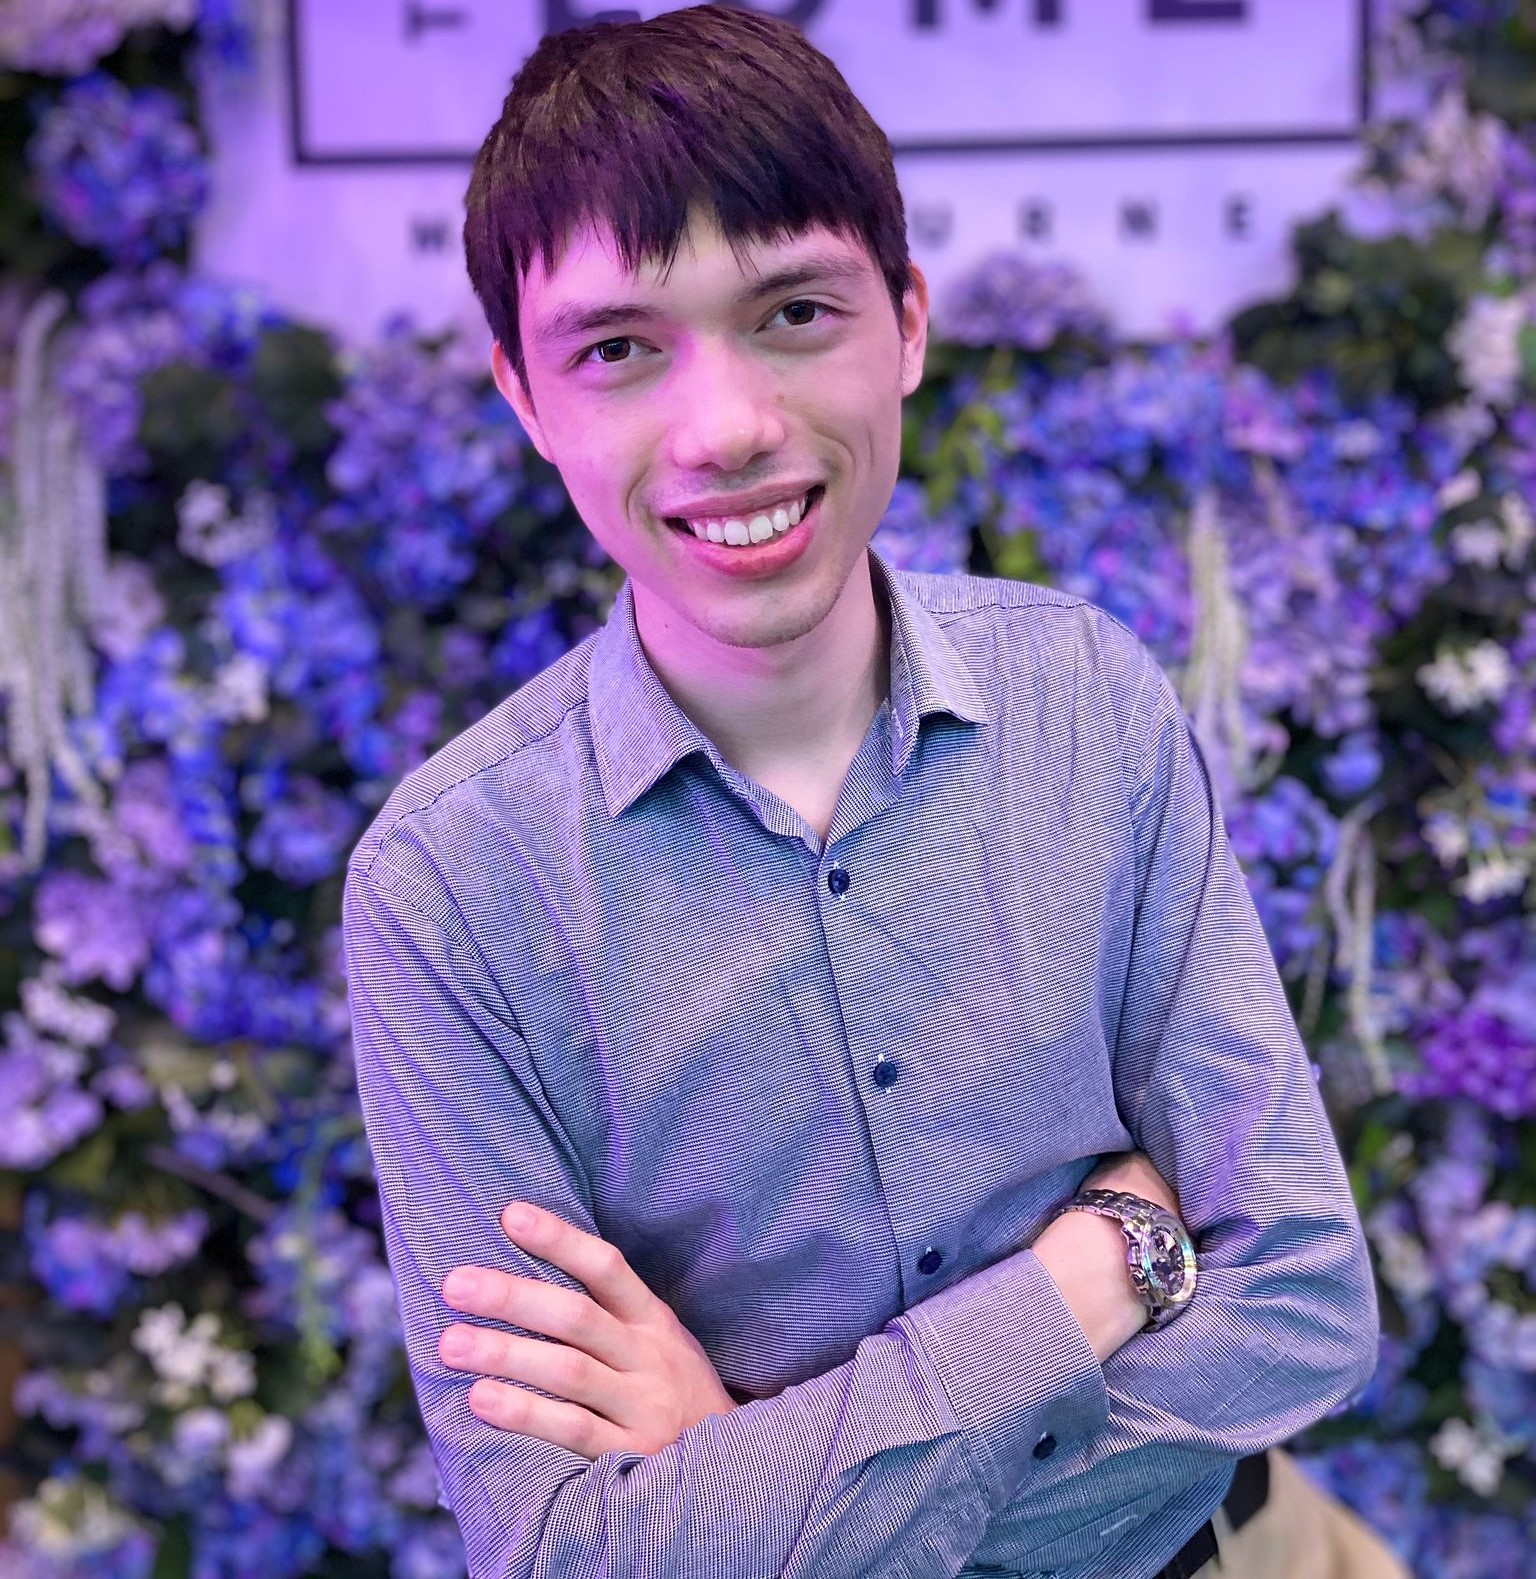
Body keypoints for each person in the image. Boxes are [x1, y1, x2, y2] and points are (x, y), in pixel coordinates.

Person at [341, 7, 1408, 1577]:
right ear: (523, 396)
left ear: (905, 322)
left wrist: (770, 1496)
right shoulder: (451, 889)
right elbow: (567, 1549)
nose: (730, 429)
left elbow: (1307, 1298)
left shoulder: (1084, 702)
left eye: (794, 312)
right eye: (620, 349)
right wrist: (1092, 1279)